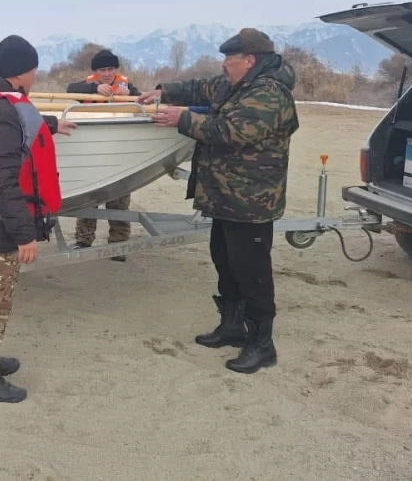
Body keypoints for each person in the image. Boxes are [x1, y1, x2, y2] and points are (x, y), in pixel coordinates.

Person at [137, 28, 299, 374]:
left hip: (252, 201)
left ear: (249, 60)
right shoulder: (237, 84)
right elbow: (202, 87)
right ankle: (232, 326)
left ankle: (262, 344)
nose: (224, 65)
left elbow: (232, 131)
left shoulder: (269, 93)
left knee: (252, 272)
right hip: (225, 197)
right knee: (225, 261)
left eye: (230, 59)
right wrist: (164, 91)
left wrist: (182, 119)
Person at [0, 34, 77, 402]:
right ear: (23, 73)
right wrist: (25, 235)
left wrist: (50, 124)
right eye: (34, 70)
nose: (36, 76)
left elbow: (13, 134)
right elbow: (1, 181)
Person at [66, 49, 141, 259]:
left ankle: (118, 245)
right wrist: (94, 88)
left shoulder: (128, 86)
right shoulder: (86, 86)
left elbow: (143, 99)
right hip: (92, 152)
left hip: (119, 153)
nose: (106, 74)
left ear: (116, 69)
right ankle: (83, 240)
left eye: (110, 69)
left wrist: (130, 95)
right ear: (95, 72)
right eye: (102, 70)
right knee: (88, 198)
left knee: (119, 201)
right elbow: (70, 89)